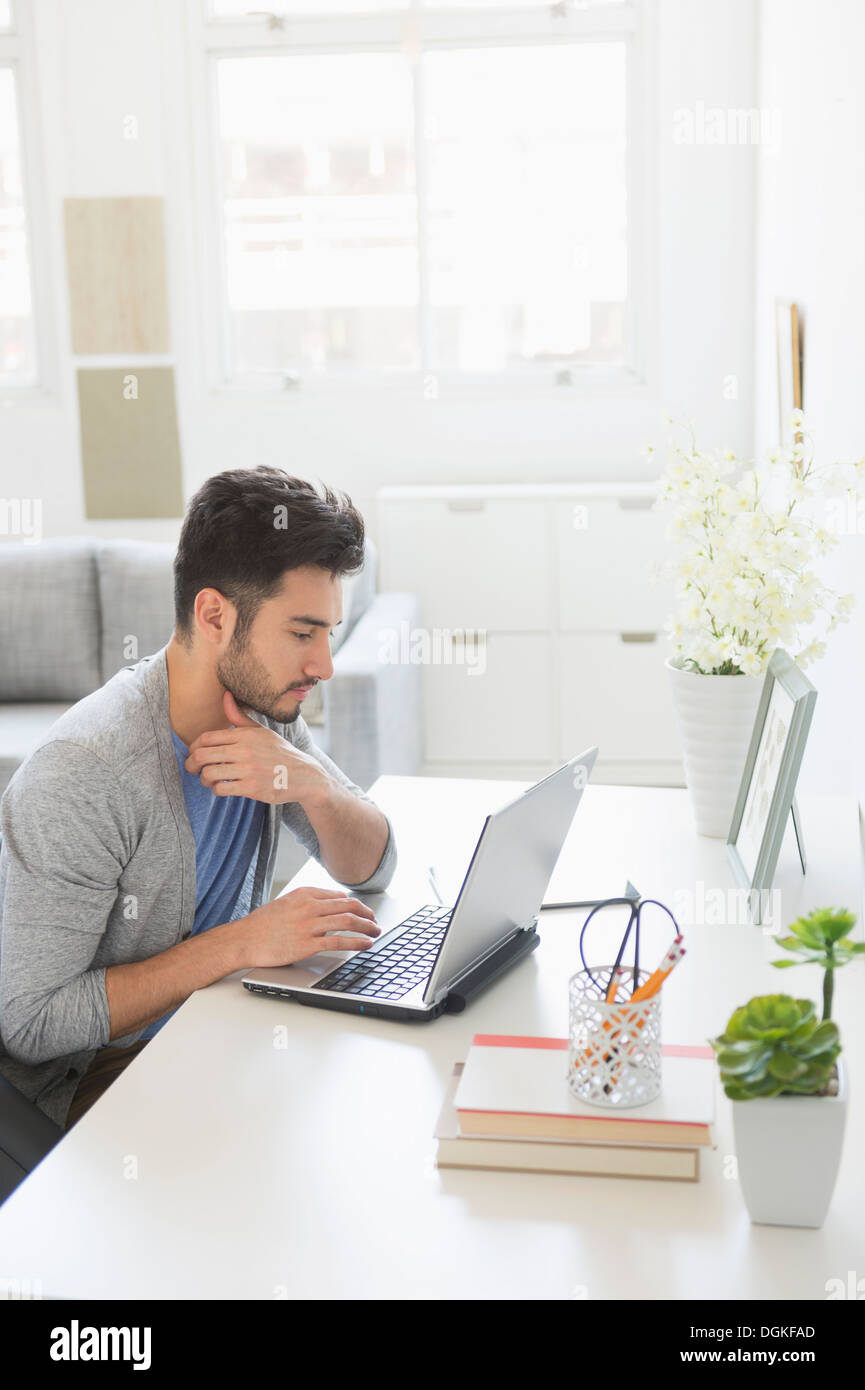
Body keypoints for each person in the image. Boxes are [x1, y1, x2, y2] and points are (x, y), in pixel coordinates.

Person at [0, 468, 395, 1129]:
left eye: (328, 632)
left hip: (214, 1026)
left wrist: (313, 785)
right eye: (302, 633)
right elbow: (32, 1024)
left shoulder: (264, 713)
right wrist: (239, 943)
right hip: (92, 1085)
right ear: (214, 615)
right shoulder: (87, 773)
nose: (323, 665)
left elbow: (373, 867)